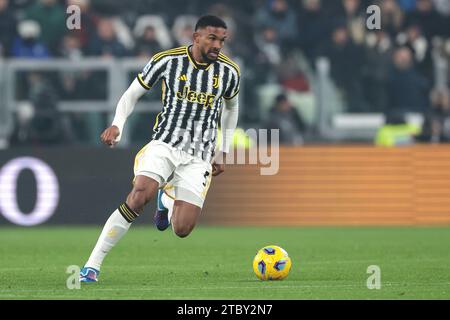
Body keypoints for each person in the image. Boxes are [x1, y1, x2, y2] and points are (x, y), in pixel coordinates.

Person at [79, 15, 240, 283]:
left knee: (182, 228)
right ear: (196, 36)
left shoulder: (229, 72)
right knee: (139, 196)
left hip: (199, 155)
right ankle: (92, 266)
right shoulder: (167, 61)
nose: (217, 46)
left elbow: (232, 108)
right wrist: (117, 124)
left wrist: (223, 149)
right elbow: (132, 94)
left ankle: (165, 199)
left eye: (221, 41)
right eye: (212, 38)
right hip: (164, 144)